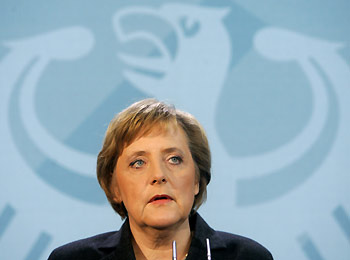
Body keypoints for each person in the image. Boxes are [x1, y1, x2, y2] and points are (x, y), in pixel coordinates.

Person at [48, 98, 273, 260]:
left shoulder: (248, 257)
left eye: (174, 159)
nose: (158, 176)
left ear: (196, 179)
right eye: (138, 163)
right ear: (114, 187)